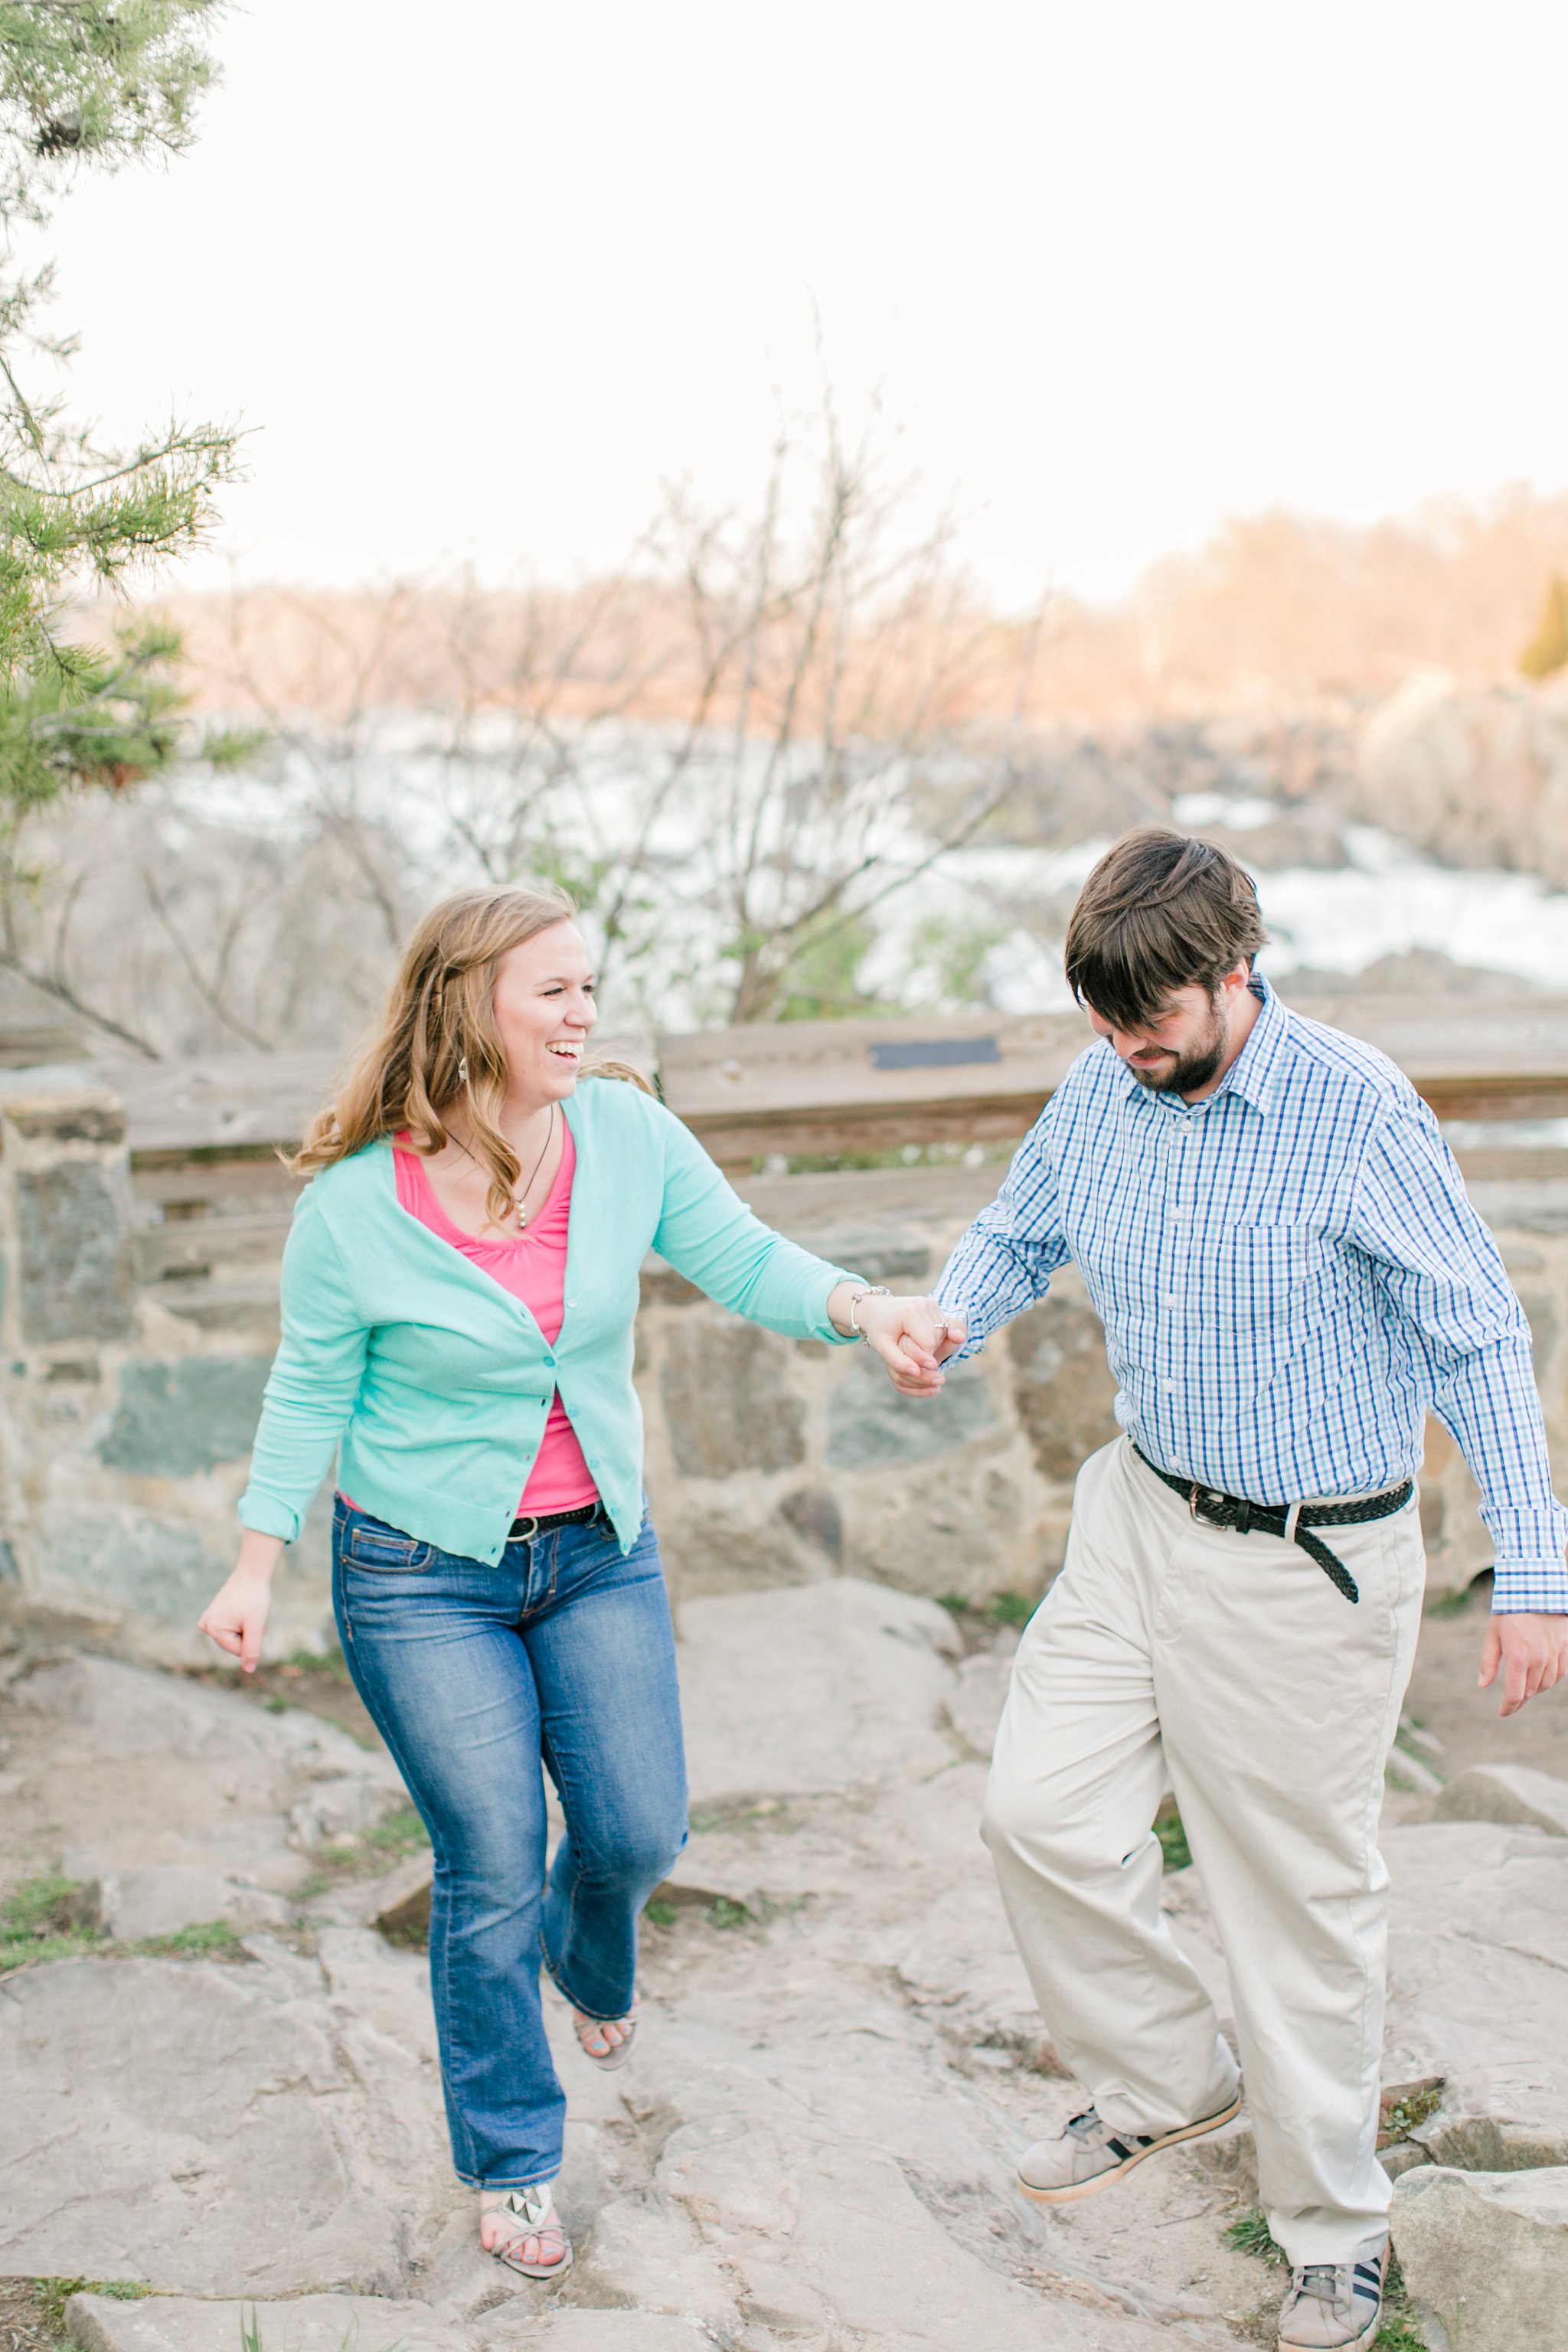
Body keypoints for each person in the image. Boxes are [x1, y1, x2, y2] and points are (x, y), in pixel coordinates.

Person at [197, 881, 946, 2283]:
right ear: (469, 1005)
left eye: (589, 987)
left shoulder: (623, 1132)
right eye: (552, 991)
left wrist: (869, 1307)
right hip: (420, 1577)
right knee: (485, 1860)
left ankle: (591, 1955)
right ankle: (515, 2155)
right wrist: (256, 1560)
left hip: (598, 1549)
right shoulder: (356, 1211)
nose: (583, 1013)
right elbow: (306, 1389)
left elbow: (744, 1258)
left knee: (639, 1835)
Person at [895, 831, 1568, 2352]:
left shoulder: (1355, 1111)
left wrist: (1533, 1568)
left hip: (1306, 1566)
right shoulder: (1099, 1086)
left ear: (1232, 969)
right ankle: (1160, 2082)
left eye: (1155, 1018)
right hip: (1138, 1520)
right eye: (1103, 1019)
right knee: (1037, 1816)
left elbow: (1474, 1337)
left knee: (1295, 1910)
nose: (1129, 1045)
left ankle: (1334, 2234)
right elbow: (1022, 1222)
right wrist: (951, 1313)